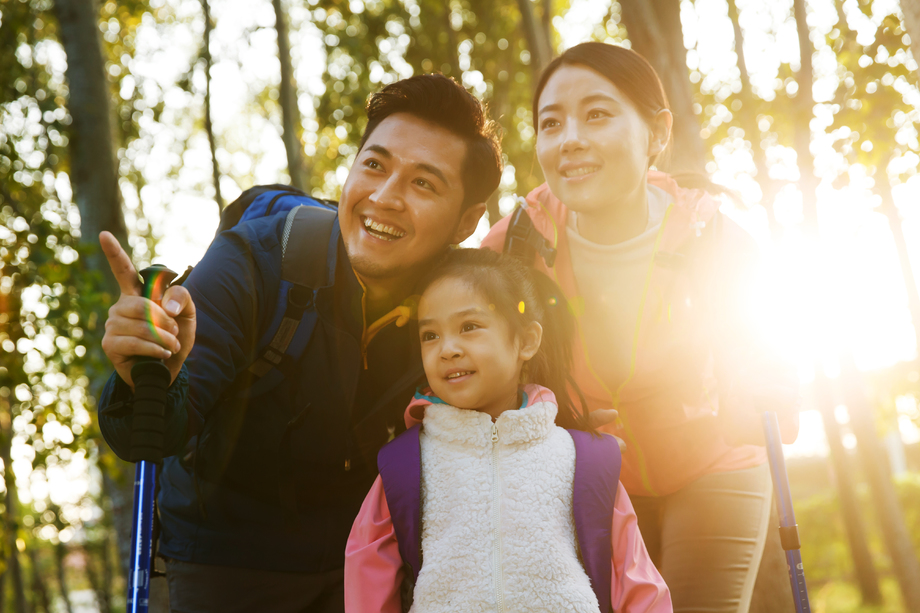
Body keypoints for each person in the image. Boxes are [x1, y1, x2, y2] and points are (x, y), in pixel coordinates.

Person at [95, 74, 503, 611]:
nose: (384, 198)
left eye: (424, 184)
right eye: (374, 165)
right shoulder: (257, 260)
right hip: (225, 560)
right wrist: (147, 378)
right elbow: (152, 433)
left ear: (467, 221)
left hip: (366, 562)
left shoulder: (466, 303)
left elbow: (515, 412)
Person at [481, 42, 800, 613]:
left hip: (711, 464)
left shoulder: (717, 241)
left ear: (657, 133)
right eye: (550, 123)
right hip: (588, 476)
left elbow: (777, 398)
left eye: (597, 114)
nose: (570, 138)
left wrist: (765, 398)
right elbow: (472, 374)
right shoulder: (514, 248)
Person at [344, 248, 672, 612]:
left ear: (527, 341)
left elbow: (636, 579)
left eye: (469, 327)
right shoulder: (404, 464)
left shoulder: (584, 459)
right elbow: (368, 580)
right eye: (430, 335)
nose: (447, 349)